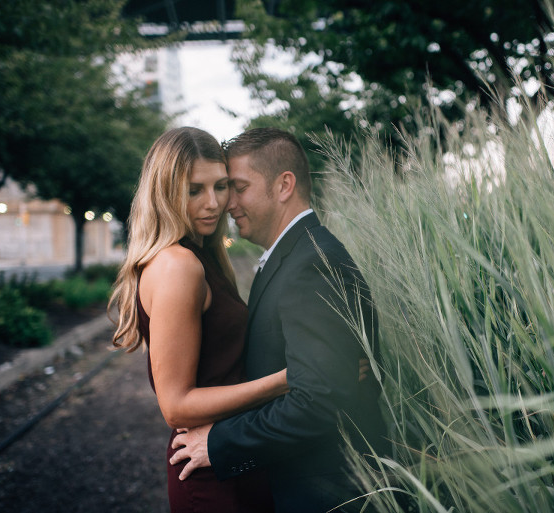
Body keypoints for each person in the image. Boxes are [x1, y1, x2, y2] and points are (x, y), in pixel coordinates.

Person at [170, 127, 388, 513]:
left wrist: (220, 443)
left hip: (328, 496)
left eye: (237, 187)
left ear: (284, 184)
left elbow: (318, 399)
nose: (226, 204)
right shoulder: (295, 256)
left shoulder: (311, 265)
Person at [108, 127, 283, 512]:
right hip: (209, 476)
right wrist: (289, 381)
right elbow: (176, 406)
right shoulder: (177, 266)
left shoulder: (202, 257)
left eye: (221, 186)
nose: (214, 203)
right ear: (165, 193)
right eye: (194, 190)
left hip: (233, 454)